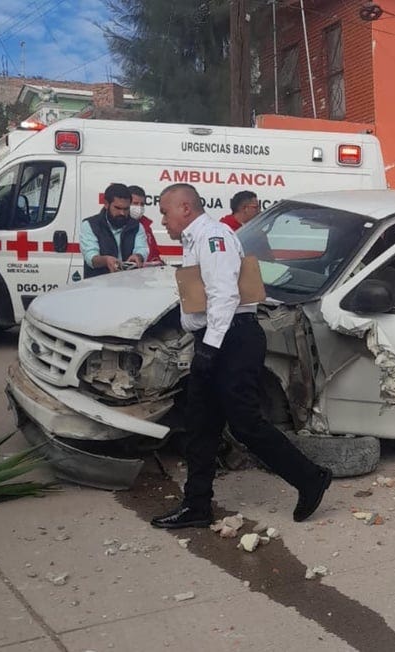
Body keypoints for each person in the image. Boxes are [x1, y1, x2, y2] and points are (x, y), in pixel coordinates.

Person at [151, 183, 332, 529]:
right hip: (217, 337)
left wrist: (210, 347)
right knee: (201, 426)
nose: (163, 219)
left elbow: (224, 296)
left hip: (232, 338)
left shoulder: (213, 237)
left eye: (165, 210)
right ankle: (197, 505)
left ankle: (310, 478)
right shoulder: (196, 240)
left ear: (185, 208)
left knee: (245, 423)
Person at [79, 183, 149, 278]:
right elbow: (91, 257)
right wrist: (106, 260)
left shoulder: (137, 226)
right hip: (98, 285)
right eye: (118, 208)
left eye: (126, 209)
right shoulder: (90, 225)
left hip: (129, 285)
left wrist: (138, 256)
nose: (122, 213)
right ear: (106, 204)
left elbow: (142, 249)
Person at [128, 185, 163, 265]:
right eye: (135, 203)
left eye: (142, 204)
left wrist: (157, 262)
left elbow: (154, 252)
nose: (139, 207)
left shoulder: (146, 226)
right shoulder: (117, 225)